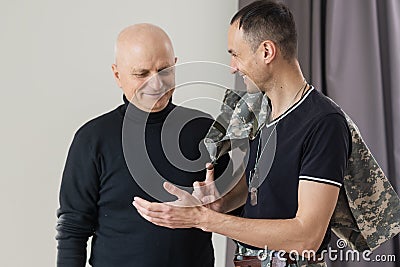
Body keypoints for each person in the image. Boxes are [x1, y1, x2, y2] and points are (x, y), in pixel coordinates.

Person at [133, 1, 353, 267]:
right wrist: (218, 204)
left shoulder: (324, 123)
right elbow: (262, 187)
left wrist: (204, 220)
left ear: (266, 51)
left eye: (236, 54)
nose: (232, 67)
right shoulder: (260, 112)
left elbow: (307, 237)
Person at [56, 23, 229, 267]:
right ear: (117, 75)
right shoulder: (92, 139)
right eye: (141, 74)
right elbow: (73, 226)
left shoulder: (203, 129)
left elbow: (235, 210)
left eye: (164, 70)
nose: (156, 84)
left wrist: (219, 205)